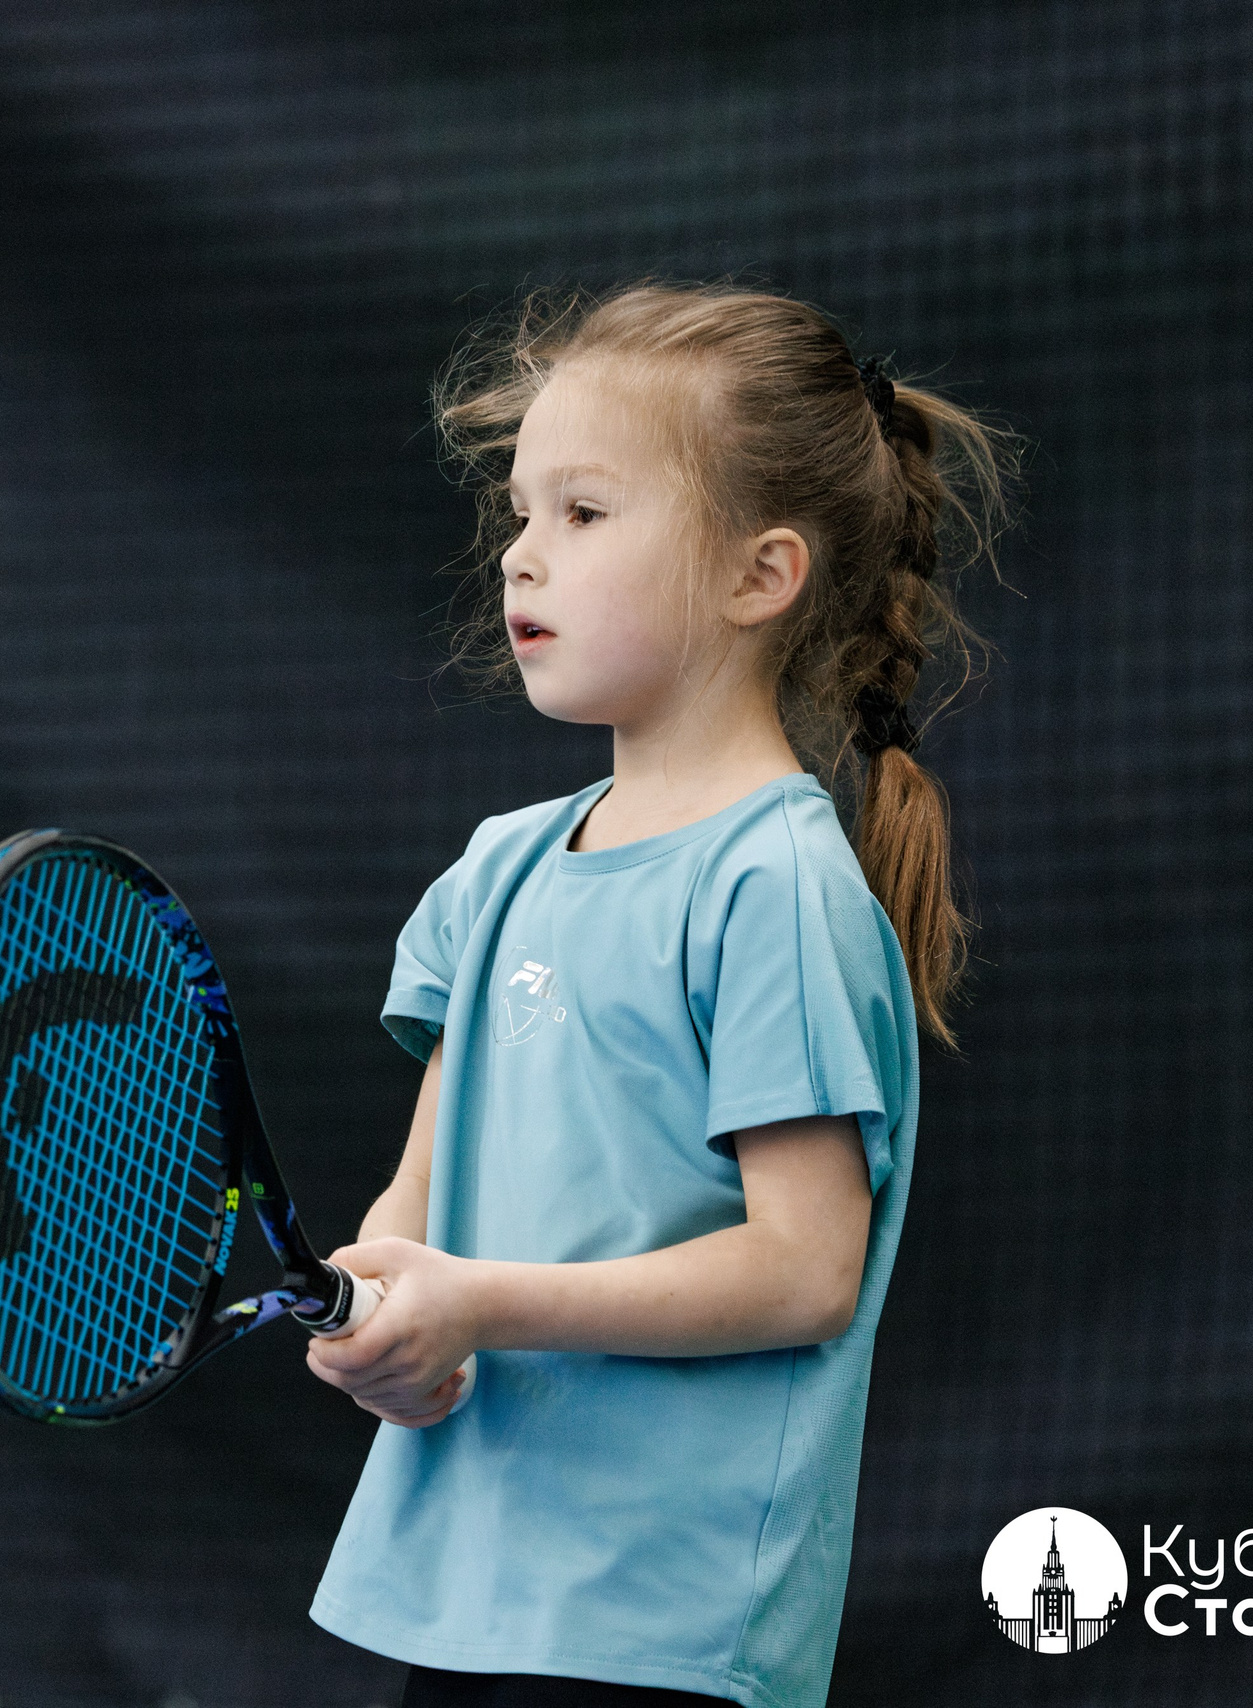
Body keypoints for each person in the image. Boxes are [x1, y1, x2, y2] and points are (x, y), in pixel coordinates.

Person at [303, 282, 1013, 1708]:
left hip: (658, 1635)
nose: (522, 558)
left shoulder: (781, 892)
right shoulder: (496, 871)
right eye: (519, 513)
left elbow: (805, 1270)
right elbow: (416, 1204)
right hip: (457, 1599)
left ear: (762, 575)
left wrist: (480, 1302)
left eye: (583, 513)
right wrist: (385, 1312)